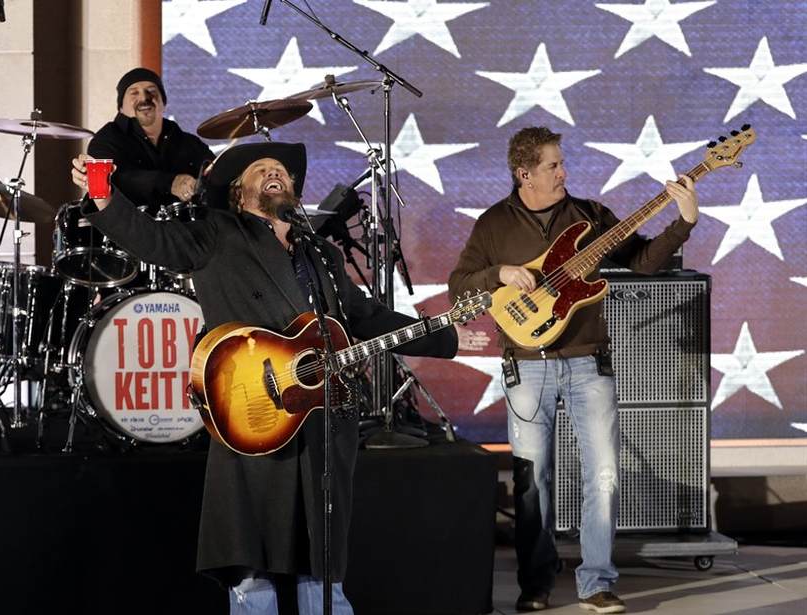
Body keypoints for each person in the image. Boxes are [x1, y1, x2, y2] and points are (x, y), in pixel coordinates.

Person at [72, 141, 458, 614]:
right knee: (253, 568)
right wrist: (103, 196)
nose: (275, 173)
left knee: (321, 566)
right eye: (262, 170)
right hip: (252, 412)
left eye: (282, 170)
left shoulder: (321, 254)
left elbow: (367, 318)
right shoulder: (218, 232)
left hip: (318, 420)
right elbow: (154, 240)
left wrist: (444, 334)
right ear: (238, 193)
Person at [447, 126, 698, 614]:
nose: (564, 172)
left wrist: (683, 222)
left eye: (562, 163)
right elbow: (459, 286)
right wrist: (499, 274)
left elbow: (643, 261)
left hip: (588, 361)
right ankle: (535, 584)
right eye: (553, 165)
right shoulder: (494, 224)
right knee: (532, 479)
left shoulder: (590, 216)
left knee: (604, 474)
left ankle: (597, 582)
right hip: (526, 365)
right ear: (525, 174)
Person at [87, 67, 214, 213]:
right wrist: (171, 183)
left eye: (151, 91)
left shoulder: (189, 142)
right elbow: (116, 180)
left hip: (186, 226)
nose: (144, 98)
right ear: (120, 106)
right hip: (128, 225)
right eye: (134, 93)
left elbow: (214, 174)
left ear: (163, 103)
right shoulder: (105, 140)